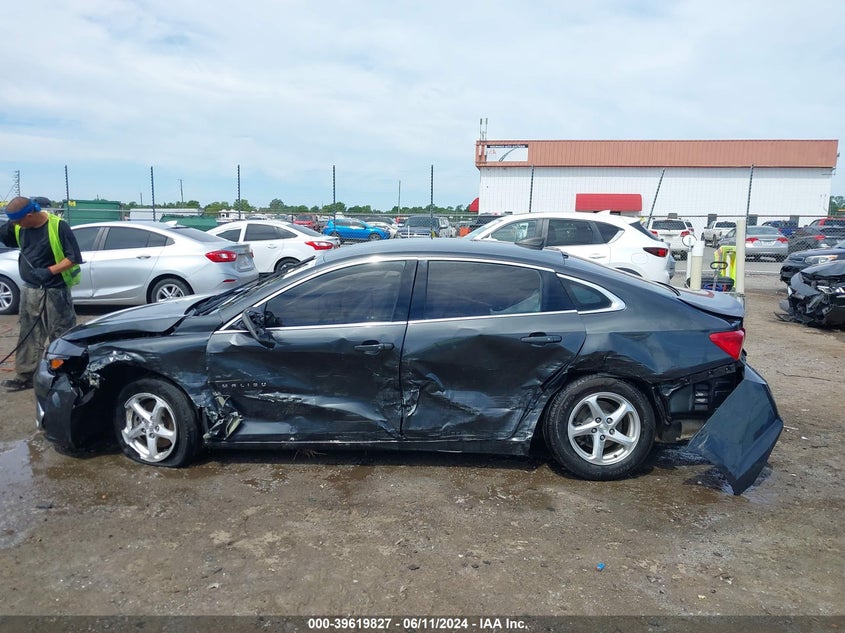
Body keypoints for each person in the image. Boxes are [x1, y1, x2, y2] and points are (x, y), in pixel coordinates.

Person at [0, 196, 82, 392]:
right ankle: (26, 375)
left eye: (18, 221)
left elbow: (74, 258)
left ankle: (65, 377)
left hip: (55, 291)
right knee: (28, 335)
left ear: (30, 215)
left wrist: (49, 271)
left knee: (61, 335)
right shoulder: (20, 226)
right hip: (30, 290)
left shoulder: (58, 226)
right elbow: (7, 235)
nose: (16, 225)